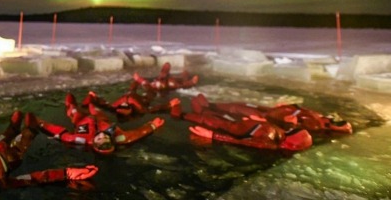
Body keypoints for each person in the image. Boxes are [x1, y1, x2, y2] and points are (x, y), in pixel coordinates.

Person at [31, 93, 165, 154]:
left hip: (80, 119)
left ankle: (76, 104)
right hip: (99, 117)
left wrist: (40, 123)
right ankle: (89, 101)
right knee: (92, 106)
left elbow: (60, 132)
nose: (102, 135)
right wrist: (152, 126)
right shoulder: (119, 138)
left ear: (94, 143)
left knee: (70, 101)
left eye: (100, 138)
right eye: (106, 137)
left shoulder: (81, 140)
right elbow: (135, 134)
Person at [169, 97, 312, 151]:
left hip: (230, 127)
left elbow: (242, 142)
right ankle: (197, 109)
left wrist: (213, 135)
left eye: (293, 131)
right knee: (203, 107)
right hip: (238, 124)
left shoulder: (269, 143)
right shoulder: (279, 133)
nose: (292, 128)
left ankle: (179, 114)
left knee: (204, 114)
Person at [198, 94, 352, 134]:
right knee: (242, 105)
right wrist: (288, 106)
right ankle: (211, 105)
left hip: (269, 116)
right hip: (271, 110)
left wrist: (264, 122)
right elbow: (300, 109)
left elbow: (290, 128)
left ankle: (207, 108)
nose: (333, 120)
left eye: (337, 124)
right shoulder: (319, 116)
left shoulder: (316, 125)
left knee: (239, 110)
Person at [82, 81, 172, 120]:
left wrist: (94, 97)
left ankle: (137, 82)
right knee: (150, 94)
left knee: (131, 91)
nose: (124, 104)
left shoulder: (114, 108)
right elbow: (154, 109)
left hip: (131, 94)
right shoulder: (140, 109)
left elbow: (103, 104)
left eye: (122, 107)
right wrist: (169, 105)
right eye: (125, 108)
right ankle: (144, 83)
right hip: (142, 100)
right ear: (130, 111)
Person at [133, 62, 199, 93]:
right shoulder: (170, 82)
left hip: (166, 85)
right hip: (167, 86)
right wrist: (192, 82)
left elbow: (147, 83)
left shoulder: (169, 82)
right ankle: (187, 77)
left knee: (181, 79)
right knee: (182, 79)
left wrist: (139, 79)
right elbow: (182, 85)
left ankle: (187, 77)